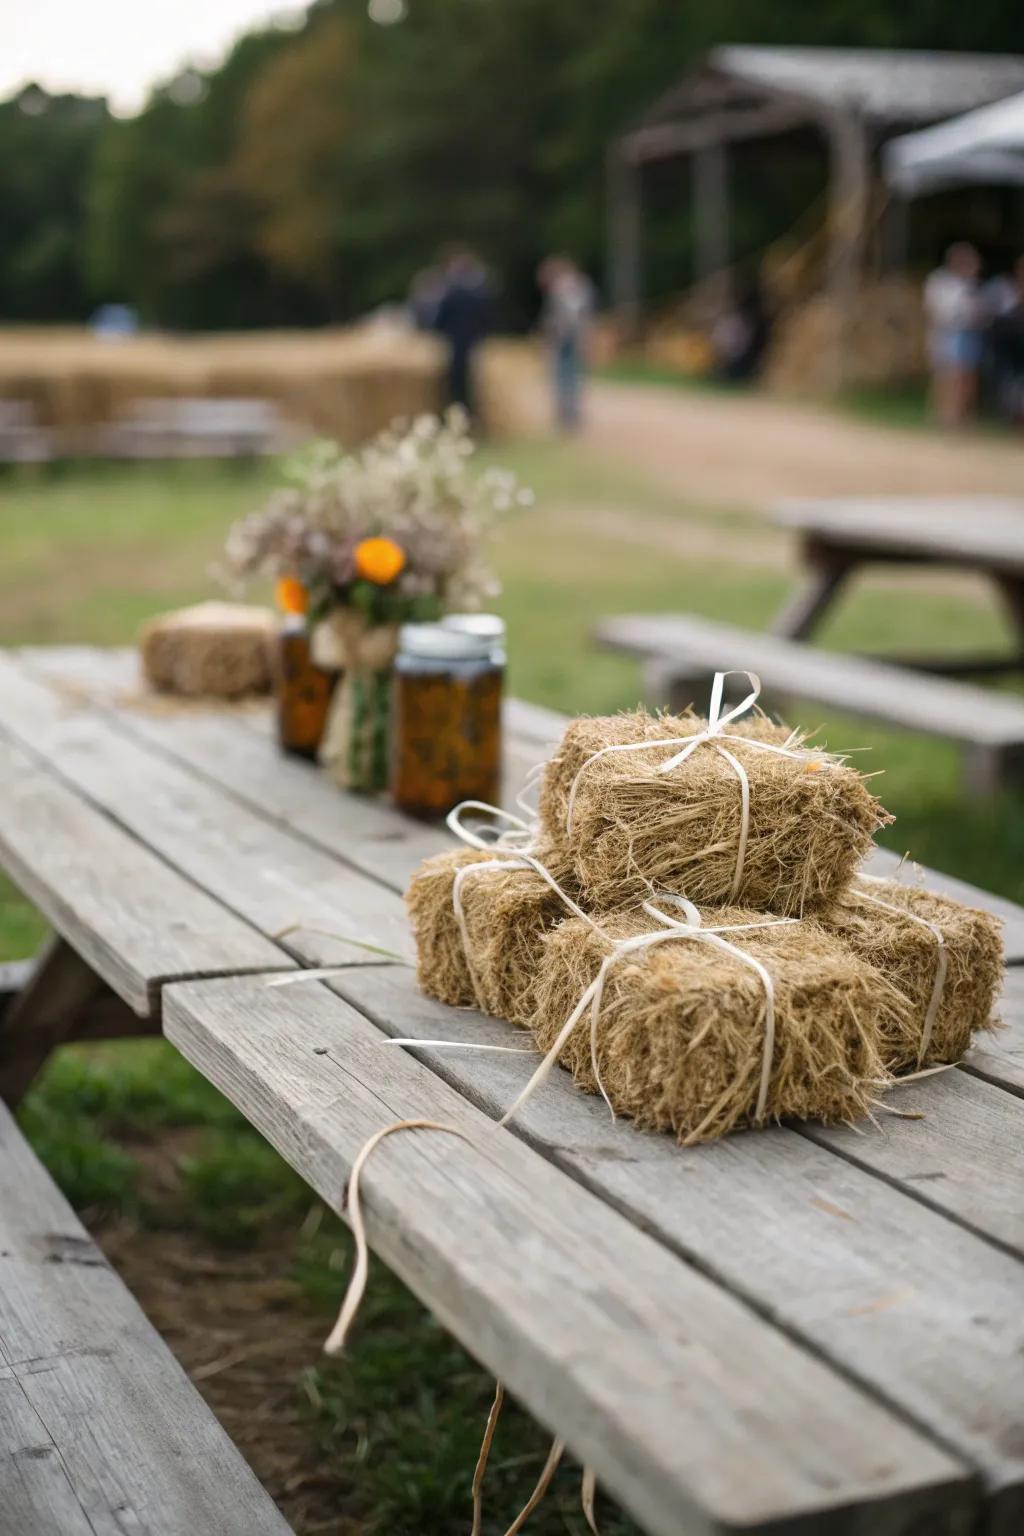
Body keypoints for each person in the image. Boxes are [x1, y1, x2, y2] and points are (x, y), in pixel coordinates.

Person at [924, 243, 984, 428]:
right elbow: (934, 309)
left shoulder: (971, 284)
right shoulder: (940, 281)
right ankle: (942, 415)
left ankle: (961, 416)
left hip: (969, 332)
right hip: (948, 332)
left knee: (966, 376)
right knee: (947, 375)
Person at [537, 256, 595, 430]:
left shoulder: (563, 289)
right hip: (572, 337)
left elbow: (565, 317)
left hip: (566, 338)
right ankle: (569, 413)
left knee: (564, 377)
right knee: (571, 376)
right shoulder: (581, 286)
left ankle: (567, 414)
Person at [433, 248, 493, 418]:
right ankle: (471, 415)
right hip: (474, 341)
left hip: (456, 342)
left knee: (457, 382)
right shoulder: (480, 292)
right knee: (473, 381)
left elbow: (440, 319)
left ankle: (458, 414)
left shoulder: (452, 293)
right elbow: (487, 318)